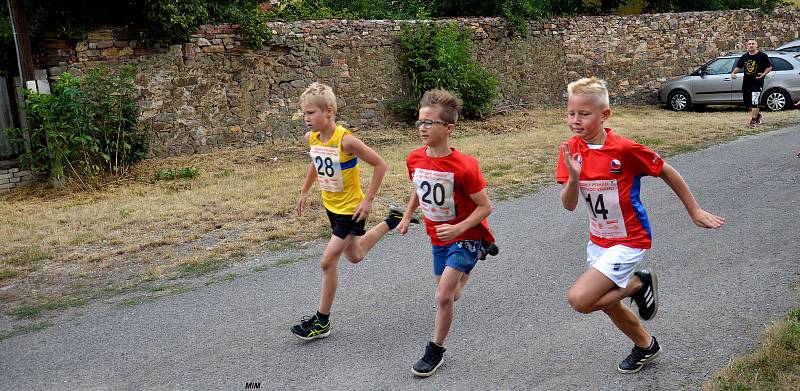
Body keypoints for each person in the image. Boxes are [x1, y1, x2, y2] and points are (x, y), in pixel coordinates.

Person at [556, 77, 725, 373]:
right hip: (598, 241)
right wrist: (573, 177)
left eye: (584, 114)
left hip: (629, 239)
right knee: (608, 304)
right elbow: (569, 205)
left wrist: (694, 210)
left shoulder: (624, 150)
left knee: (581, 300)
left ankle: (638, 282)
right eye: (571, 113)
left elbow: (666, 170)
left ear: (604, 115)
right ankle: (646, 346)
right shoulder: (571, 150)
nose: (575, 120)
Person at [291, 82, 415, 341]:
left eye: (311, 113)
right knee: (355, 255)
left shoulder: (346, 141)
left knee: (327, 262)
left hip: (351, 210)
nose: (306, 119)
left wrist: (368, 200)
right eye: (304, 113)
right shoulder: (311, 138)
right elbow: (316, 162)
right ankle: (391, 220)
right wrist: (304, 191)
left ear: (329, 111)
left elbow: (380, 165)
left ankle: (321, 321)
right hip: (331, 207)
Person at [396, 89, 498, 377]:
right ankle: (477, 256)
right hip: (437, 237)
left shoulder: (464, 166)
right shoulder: (414, 158)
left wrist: (458, 227)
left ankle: (435, 350)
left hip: (465, 234)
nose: (422, 128)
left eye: (429, 123)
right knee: (452, 295)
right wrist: (406, 216)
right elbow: (419, 188)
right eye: (419, 122)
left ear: (449, 129)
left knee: (442, 296)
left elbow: (485, 206)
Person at [731, 38, 772, 128]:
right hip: (746, 83)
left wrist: (763, 75)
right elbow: (738, 67)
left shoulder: (762, 56)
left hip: (757, 82)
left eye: (753, 43)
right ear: (747, 46)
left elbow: (769, 67)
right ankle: (758, 115)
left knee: (755, 100)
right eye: (749, 44)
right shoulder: (744, 57)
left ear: (756, 45)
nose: (751, 45)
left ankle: (753, 121)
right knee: (748, 103)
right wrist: (733, 73)